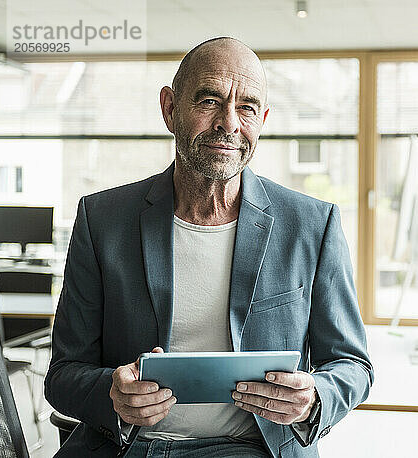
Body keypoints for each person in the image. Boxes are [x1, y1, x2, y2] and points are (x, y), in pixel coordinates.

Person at [45, 37, 373, 458]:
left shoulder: (312, 225)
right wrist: (112, 394)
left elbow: (354, 366)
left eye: (247, 108)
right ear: (169, 108)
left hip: (252, 447)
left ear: (263, 120)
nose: (229, 123)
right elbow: (63, 374)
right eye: (209, 101)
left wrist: (315, 397)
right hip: (129, 446)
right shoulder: (101, 220)